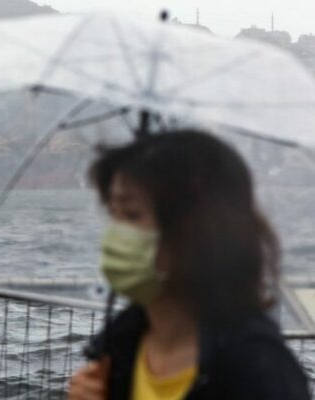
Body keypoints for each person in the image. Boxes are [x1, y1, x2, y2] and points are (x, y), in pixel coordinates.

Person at [68, 130, 310, 400]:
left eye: (132, 215)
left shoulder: (258, 369)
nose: (115, 233)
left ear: (197, 229)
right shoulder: (120, 345)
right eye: (113, 214)